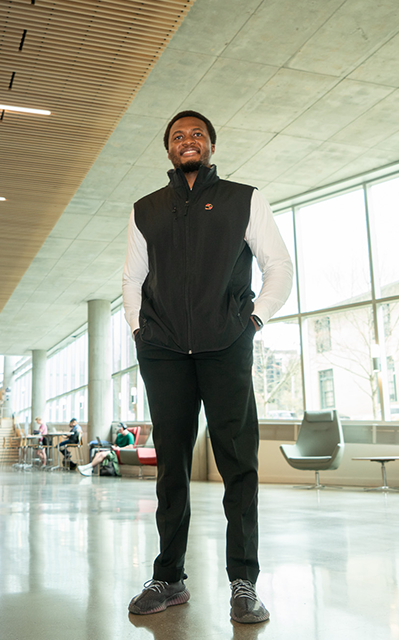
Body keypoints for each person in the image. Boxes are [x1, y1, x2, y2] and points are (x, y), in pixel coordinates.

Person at [122, 110, 293, 624]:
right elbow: (132, 279)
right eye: (178, 135)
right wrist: (139, 332)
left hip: (226, 347)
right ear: (169, 151)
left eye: (197, 134)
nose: (187, 140)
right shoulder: (146, 209)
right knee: (171, 467)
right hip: (165, 352)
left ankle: (244, 582)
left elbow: (279, 266)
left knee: (238, 466)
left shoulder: (245, 199)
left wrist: (254, 320)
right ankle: (168, 577)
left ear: (211, 146)